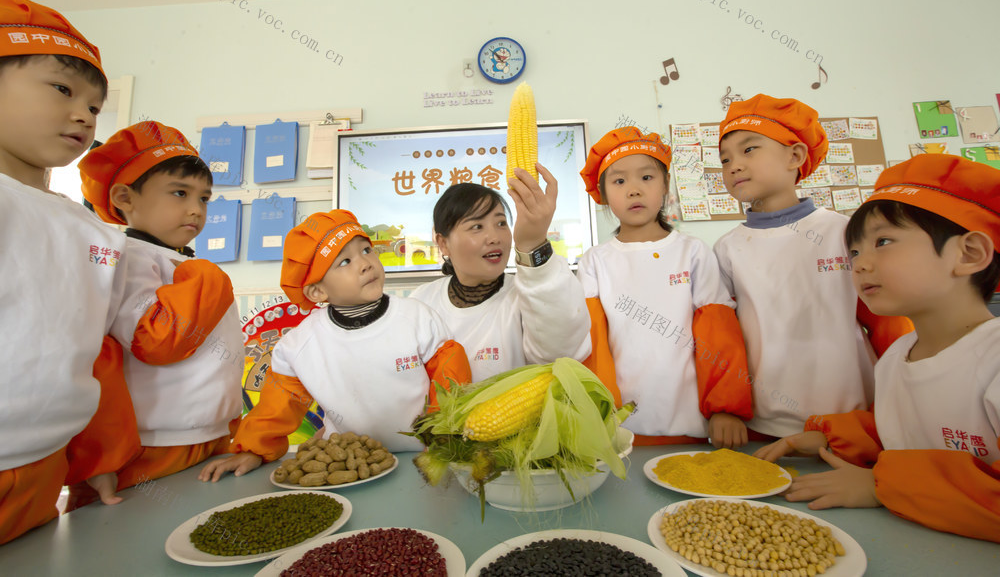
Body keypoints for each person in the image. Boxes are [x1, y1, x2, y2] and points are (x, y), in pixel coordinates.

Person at [756, 154, 1000, 543]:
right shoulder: (896, 357)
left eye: (882, 242)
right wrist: (831, 439)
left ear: (969, 253)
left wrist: (881, 485)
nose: (860, 265)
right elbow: (902, 432)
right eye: (854, 252)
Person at [0, 0, 135, 543]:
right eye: (62, 89)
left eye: (96, 107)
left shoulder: (92, 231)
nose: (84, 114)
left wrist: (97, 455)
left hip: (43, 466)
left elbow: (95, 350)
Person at [199, 210, 471, 481]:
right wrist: (253, 450)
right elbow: (277, 407)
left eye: (366, 250)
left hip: (423, 460)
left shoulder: (417, 317)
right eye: (345, 261)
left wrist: (443, 435)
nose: (365, 264)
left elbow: (449, 378)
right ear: (317, 291)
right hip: (346, 467)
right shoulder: (299, 345)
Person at [714, 94, 912, 440]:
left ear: (795, 156)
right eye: (725, 158)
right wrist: (726, 407)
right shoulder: (727, 248)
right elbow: (725, 339)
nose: (734, 165)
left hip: (853, 420)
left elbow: (888, 322)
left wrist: (907, 392)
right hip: (763, 422)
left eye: (749, 149)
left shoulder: (843, 232)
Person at [69, 121, 243, 507]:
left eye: (204, 198)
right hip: (149, 446)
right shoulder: (127, 257)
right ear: (124, 197)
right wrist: (206, 277)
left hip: (209, 436)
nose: (195, 209)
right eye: (180, 193)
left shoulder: (179, 261)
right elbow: (156, 340)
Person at [578, 127, 752, 448]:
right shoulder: (594, 262)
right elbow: (594, 345)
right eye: (619, 181)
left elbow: (718, 333)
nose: (634, 190)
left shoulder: (693, 252)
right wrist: (600, 413)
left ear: (665, 184)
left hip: (692, 423)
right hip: (619, 429)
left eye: (646, 178)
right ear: (602, 194)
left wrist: (725, 408)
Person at [410, 165, 590, 381]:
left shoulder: (526, 295)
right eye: (477, 226)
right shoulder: (421, 302)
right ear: (443, 243)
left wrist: (534, 244)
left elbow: (561, 355)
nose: (495, 237)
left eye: (501, 223)